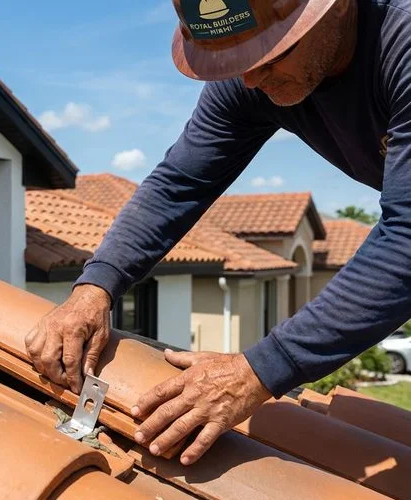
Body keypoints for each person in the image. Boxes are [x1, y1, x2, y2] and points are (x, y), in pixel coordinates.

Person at [25, 0, 411, 466]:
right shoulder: (253, 70)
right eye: (237, 59)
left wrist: (259, 370)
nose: (250, 78)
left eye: (270, 54)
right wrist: (95, 287)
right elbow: (181, 183)